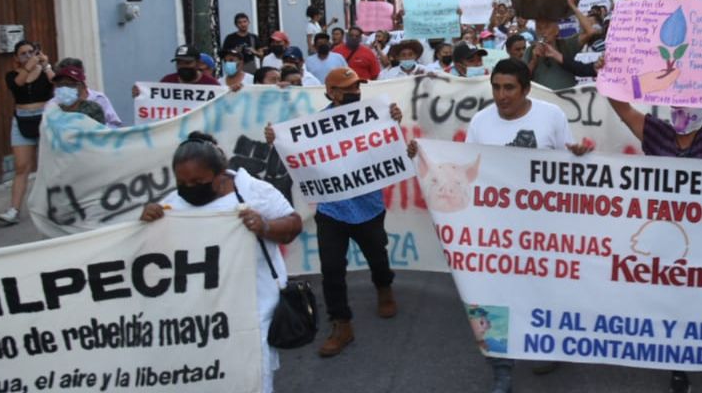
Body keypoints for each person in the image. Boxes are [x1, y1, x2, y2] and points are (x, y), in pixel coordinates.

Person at [597, 53, 702, 393]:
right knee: (676, 298)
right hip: (667, 233)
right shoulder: (656, 133)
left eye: (692, 102)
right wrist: (608, 76)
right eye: (678, 102)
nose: (685, 109)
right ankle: (679, 366)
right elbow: (623, 110)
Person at [438, 58, 590, 393]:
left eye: (509, 88)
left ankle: (547, 346)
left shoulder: (551, 116)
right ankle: (501, 369)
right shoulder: (480, 122)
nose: (501, 95)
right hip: (496, 230)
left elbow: (568, 163)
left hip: (544, 228)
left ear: (526, 89)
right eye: (496, 87)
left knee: (544, 291)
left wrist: (579, 153)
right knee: (492, 297)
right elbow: (467, 172)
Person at [139, 132, 301, 393]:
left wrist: (265, 226)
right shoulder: (170, 206)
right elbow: (153, 259)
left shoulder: (254, 192)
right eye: (183, 182)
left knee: (253, 380)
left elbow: (293, 225)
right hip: (202, 318)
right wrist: (146, 225)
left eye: (198, 181)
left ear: (221, 174)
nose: (190, 187)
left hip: (254, 312)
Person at [263, 68, 407, 358]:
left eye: (357, 86)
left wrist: (393, 120)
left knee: (377, 255)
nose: (355, 92)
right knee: (331, 269)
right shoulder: (318, 126)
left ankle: (384, 287)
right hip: (332, 209)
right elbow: (298, 152)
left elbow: (390, 149)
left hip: (368, 206)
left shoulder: (373, 115)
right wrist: (275, 139)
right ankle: (341, 324)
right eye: (348, 88)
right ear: (332, 93)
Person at [0, 40, 53, 225]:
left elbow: (58, 84)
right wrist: (28, 68)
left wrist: (45, 64)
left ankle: (54, 205)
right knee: (22, 167)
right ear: (16, 58)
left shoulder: (44, 72)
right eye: (23, 53)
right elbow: (17, 85)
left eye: (31, 52)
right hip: (22, 119)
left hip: (44, 118)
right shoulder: (12, 75)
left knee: (49, 164)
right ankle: (13, 209)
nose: (28, 56)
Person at [525, 0, 590, 90]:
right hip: (543, 100)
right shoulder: (530, 51)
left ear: (556, 30)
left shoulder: (567, 45)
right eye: (539, 28)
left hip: (566, 99)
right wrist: (534, 61)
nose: (543, 31)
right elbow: (521, 80)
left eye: (547, 27)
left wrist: (572, 5)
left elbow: (590, 31)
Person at [55, 57, 122, 127]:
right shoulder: (54, 105)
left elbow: (115, 125)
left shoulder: (98, 99)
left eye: (69, 83)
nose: (65, 88)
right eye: (61, 83)